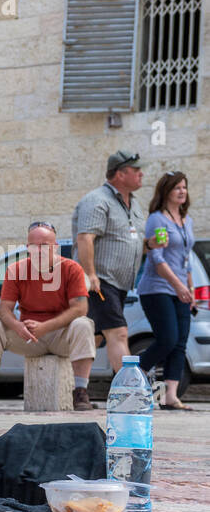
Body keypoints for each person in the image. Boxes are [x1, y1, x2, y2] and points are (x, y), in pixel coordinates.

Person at [0, 221, 96, 412]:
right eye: (34, 245)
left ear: (55, 248)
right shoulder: (16, 270)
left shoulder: (71, 269)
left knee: (83, 324)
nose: (39, 250)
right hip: (29, 337)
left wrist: (46, 327)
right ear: (27, 248)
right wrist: (18, 327)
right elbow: (3, 310)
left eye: (45, 245)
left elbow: (80, 308)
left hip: (61, 336)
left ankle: (81, 393)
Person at [73, 151, 167, 373]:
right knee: (119, 332)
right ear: (120, 174)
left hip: (120, 284)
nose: (141, 174)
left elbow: (129, 242)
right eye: (136, 170)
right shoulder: (97, 201)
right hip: (101, 281)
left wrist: (150, 244)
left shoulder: (133, 205)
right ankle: (129, 390)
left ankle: (74, 387)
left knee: (94, 337)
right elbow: (85, 238)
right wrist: (90, 275)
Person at [137, 170, 197, 410]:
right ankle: (134, 371)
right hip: (157, 288)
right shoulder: (157, 219)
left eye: (184, 187)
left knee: (181, 342)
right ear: (166, 192)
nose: (182, 191)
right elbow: (157, 258)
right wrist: (179, 286)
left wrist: (189, 287)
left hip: (181, 288)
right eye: (177, 187)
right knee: (167, 339)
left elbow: (186, 258)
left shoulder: (186, 220)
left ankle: (171, 395)